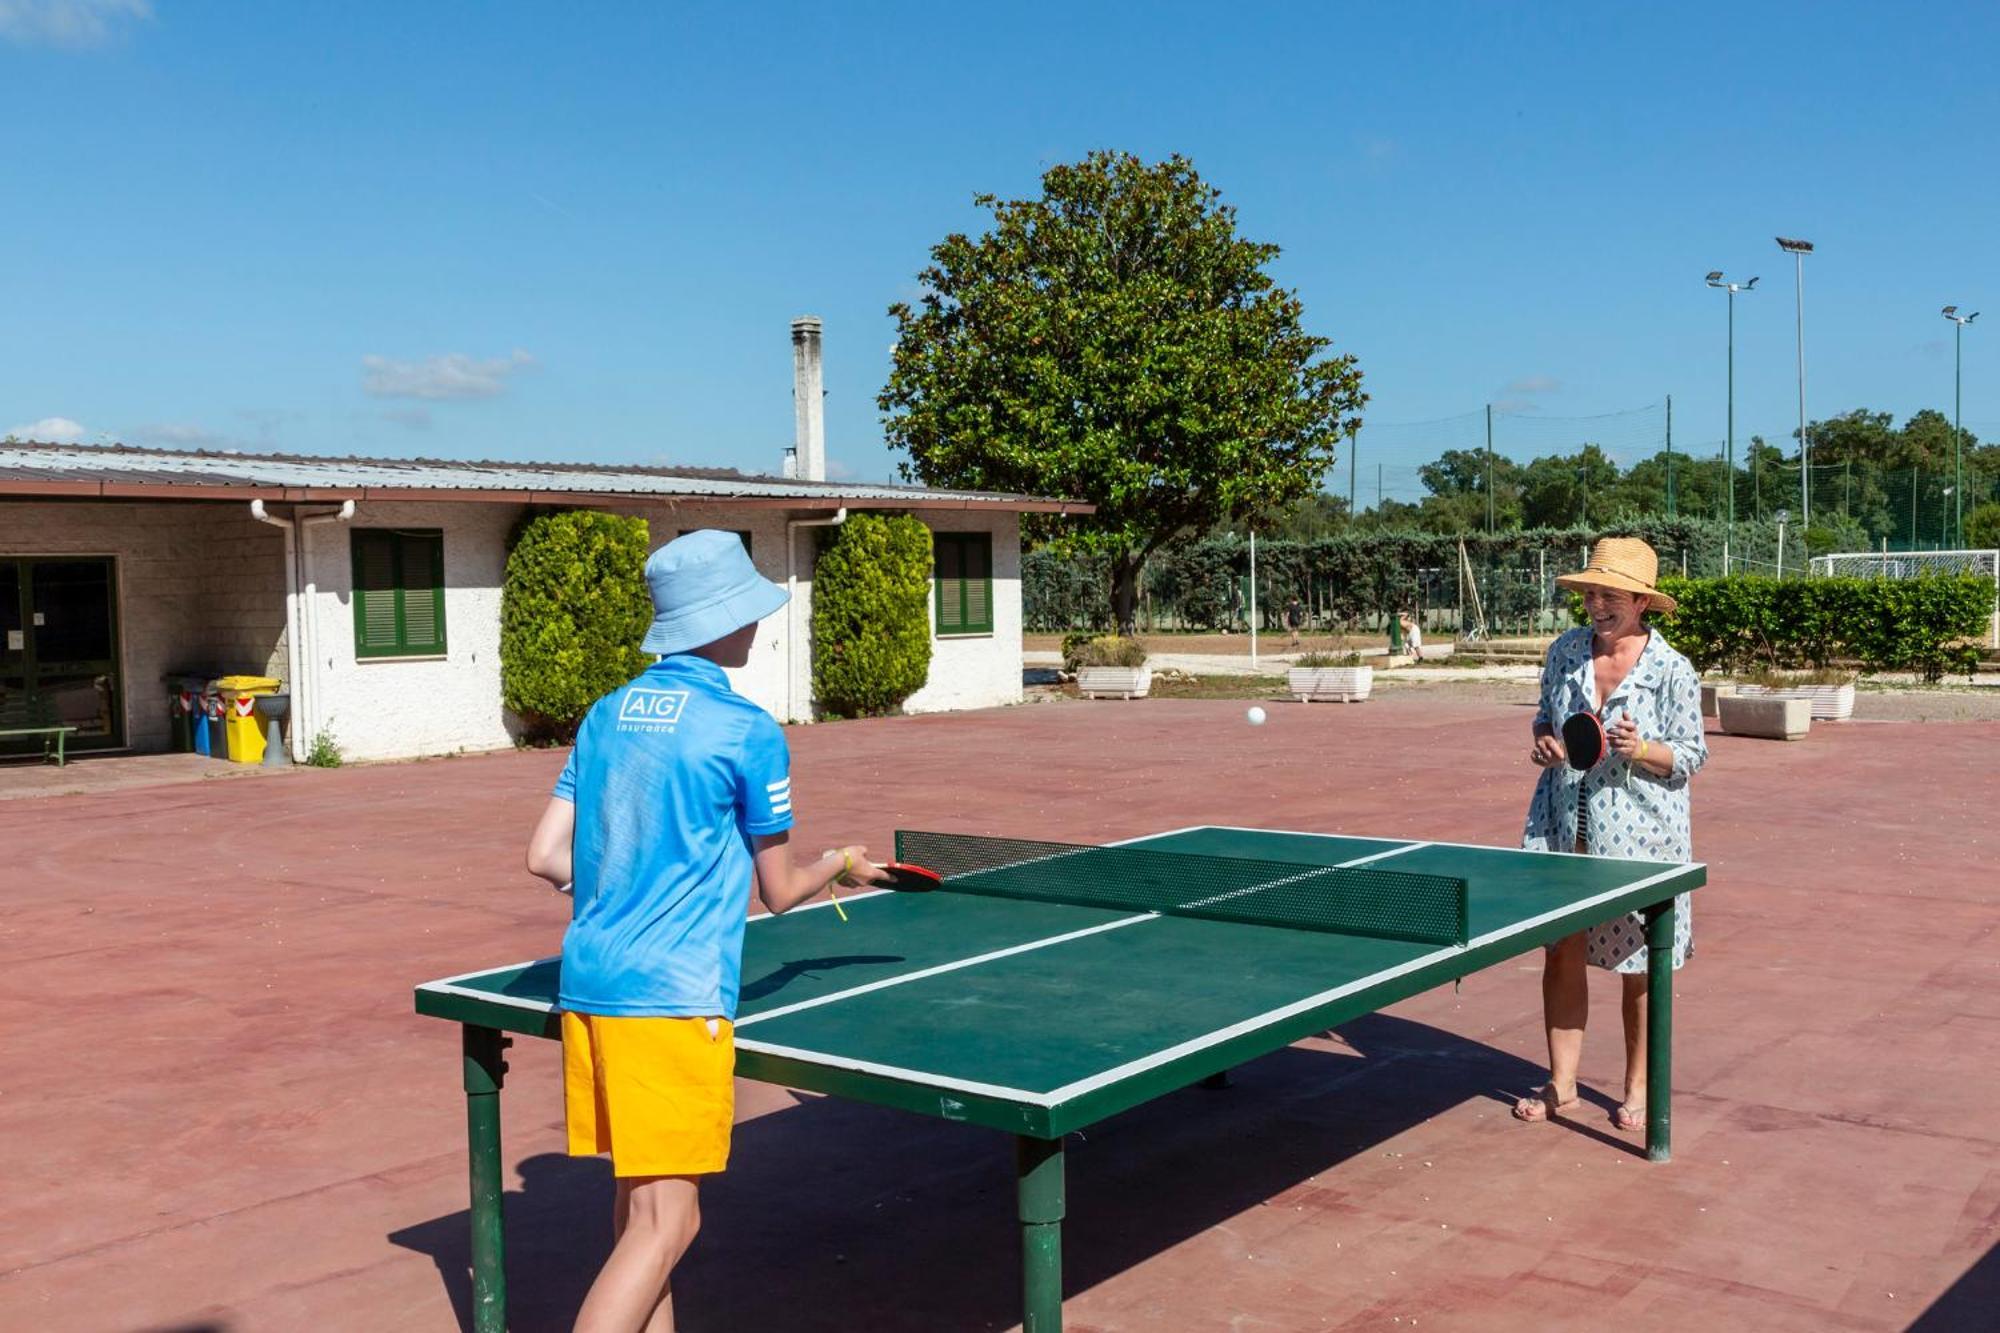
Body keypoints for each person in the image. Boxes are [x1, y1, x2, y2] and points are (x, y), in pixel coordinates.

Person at [523, 529, 888, 1333]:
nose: (758, 623)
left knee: (640, 1214)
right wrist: (842, 861)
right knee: (671, 1224)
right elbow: (781, 890)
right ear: (719, 622)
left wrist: (629, 881)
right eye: (747, 608)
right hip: (671, 998)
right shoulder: (744, 727)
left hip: (590, 986)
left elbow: (544, 854)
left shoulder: (606, 714)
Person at [1513, 537, 1707, 1133]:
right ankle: (1561, 1085)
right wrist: (1546, 741)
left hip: (1642, 840)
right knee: (1562, 950)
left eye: (1609, 595)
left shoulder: (1672, 669)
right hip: (1564, 827)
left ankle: (1638, 1089)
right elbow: (1548, 717)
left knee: (1640, 965)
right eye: (1590, 593)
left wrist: (1642, 748)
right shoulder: (1564, 651)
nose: (1595, 604)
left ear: (1642, 601)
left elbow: (1692, 754)